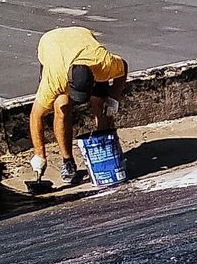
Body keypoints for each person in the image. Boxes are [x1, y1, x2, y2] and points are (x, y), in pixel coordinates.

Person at [28, 26, 128, 187]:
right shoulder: (54, 78)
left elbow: (123, 67)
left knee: (99, 103)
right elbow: (35, 115)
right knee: (62, 106)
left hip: (81, 38)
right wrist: (40, 155)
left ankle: (104, 153)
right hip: (52, 43)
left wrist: (113, 99)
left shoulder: (102, 63)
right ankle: (68, 162)